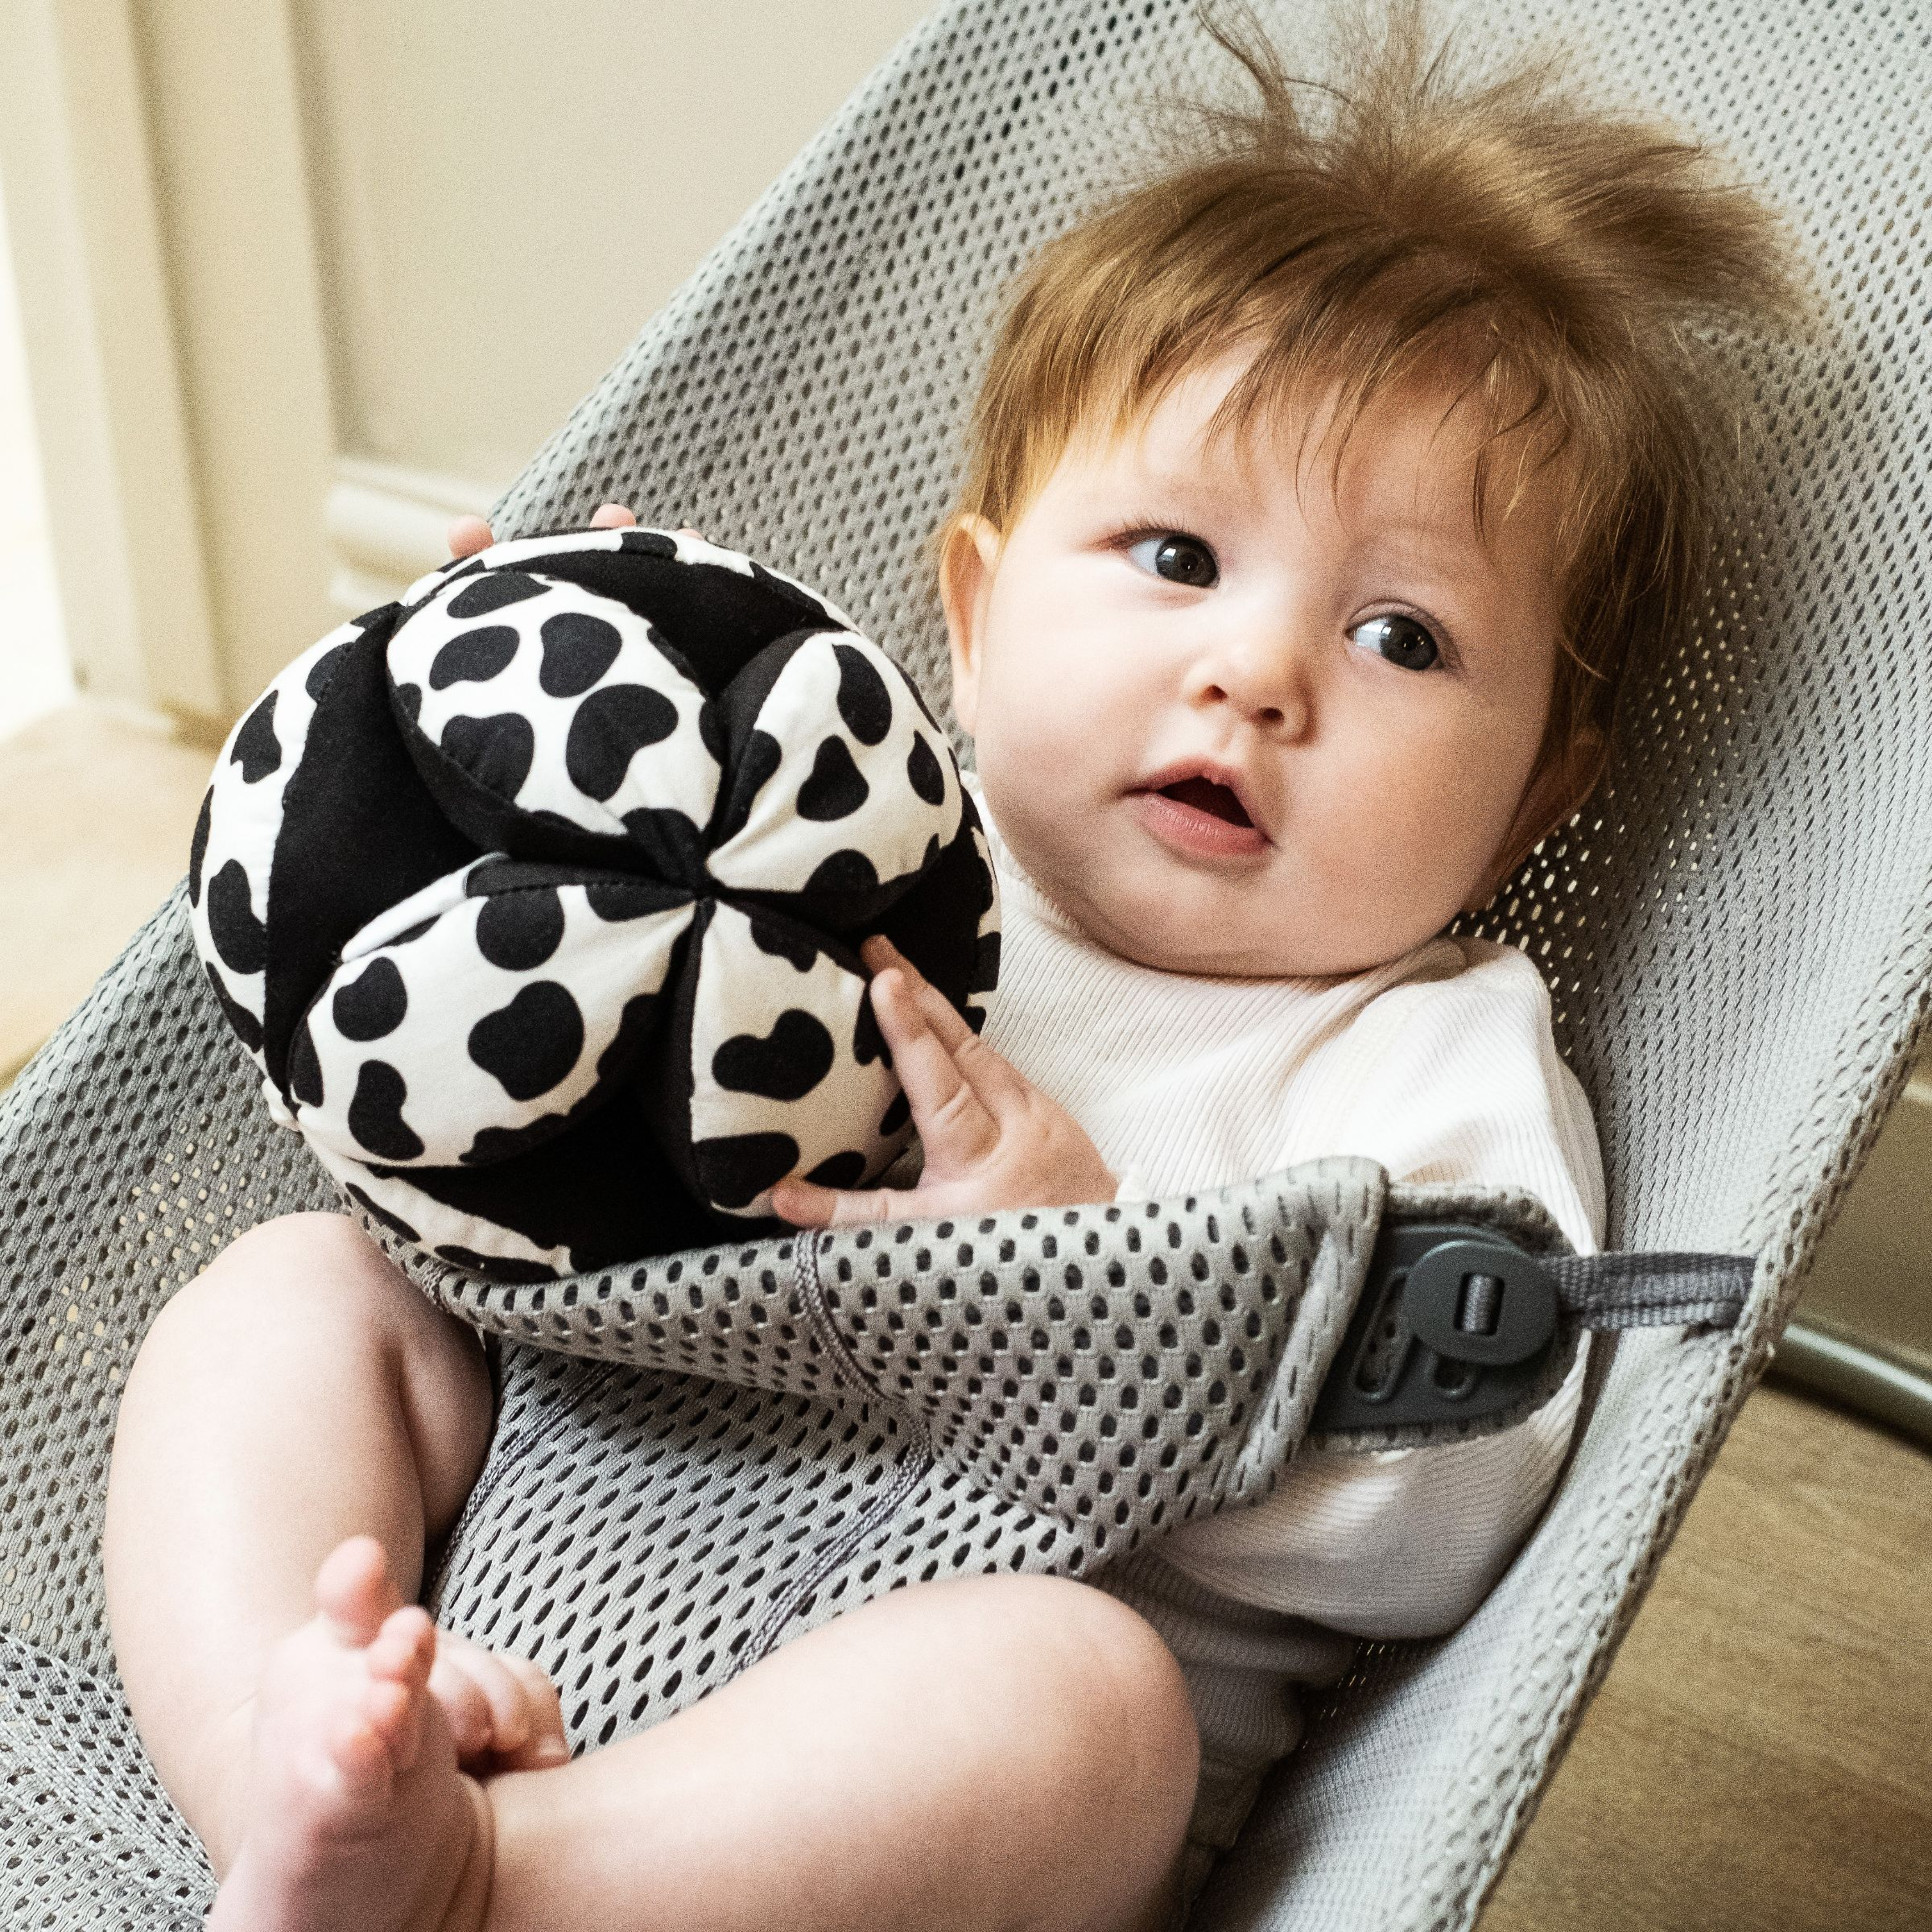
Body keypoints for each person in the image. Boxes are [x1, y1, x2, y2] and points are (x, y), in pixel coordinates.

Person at [101, 8, 1797, 1929]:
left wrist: (1087, 1281)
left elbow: (1452, 1508)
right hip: (549, 1505)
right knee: (296, 1298)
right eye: (1173, 554)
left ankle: (494, 1884)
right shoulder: (853, 838)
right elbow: (477, 1095)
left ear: (1527, 808)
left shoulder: (1421, 1060)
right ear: (973, 624)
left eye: (1403, 637)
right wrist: (538, 762)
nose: (1257, 673)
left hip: (914, 1766)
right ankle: (291, 1763)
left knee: (1084, 1706)